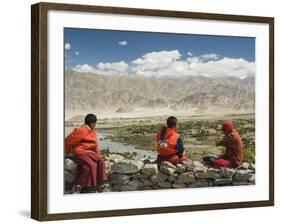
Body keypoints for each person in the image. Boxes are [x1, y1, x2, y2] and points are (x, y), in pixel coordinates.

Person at [65, 114, 107, 193]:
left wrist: (98, 155)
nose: (95, 125)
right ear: (92, 123)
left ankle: (100, 183)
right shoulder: (81, 130)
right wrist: (66, 152)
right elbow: (69, 140)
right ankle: (87, 186)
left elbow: (95, 146)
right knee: (91, 165)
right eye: (95, 123)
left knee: (101, 160)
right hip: (81, 152)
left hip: (90, 153)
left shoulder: (93, 132)